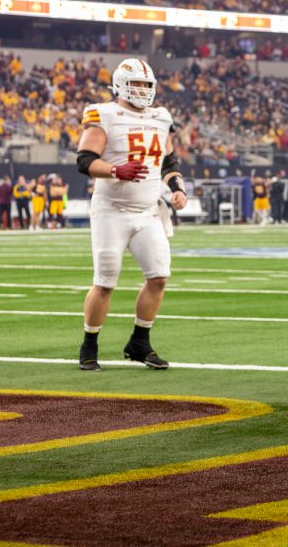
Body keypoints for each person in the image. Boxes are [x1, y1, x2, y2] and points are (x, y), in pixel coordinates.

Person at [75, 58, 187, 371]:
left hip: (149, 211)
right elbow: (84, 160)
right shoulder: (104, 113)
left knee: (159, 277)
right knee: (105, 282)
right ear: (122, 84)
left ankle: (139, 342)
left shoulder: (161, 117)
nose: (142, 90)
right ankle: (89, 345)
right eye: (136, 83)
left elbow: (169, 163)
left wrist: (177, 189)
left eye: (146, 85)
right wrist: (114, 170)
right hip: (111, 209)